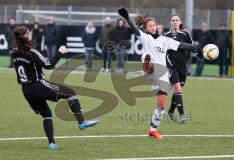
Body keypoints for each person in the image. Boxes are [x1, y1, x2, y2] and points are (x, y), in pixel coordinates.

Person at [118, 8, 201, 139]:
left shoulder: (164, 40)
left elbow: (180, 45)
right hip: (150, 72)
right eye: (150, 26)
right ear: (146, 29)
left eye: (153, 25)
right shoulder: (146, 38)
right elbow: (135, 29)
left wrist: (195, 47)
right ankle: (147, 65)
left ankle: (153, 130)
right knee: (147, 57)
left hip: (162, 76)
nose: (152, 27)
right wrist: (127, 17)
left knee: (161, 106)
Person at [11, 26, 98, 150]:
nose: (31, 34)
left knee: (47, 114)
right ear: (26, 37)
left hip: (26, 91)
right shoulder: (32, 52)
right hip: (38, 85)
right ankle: (81, 122)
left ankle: (51, 144)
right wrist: (59, 53)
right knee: (71, 93)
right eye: (29, 33)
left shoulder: (14, 53)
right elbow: (48, 65)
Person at [164, 14, 194, 123]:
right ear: (170, 22)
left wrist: (199, 52)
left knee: (178, 91)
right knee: (178, 90)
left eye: (177, 20)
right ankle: (182, 116)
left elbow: (191, 47)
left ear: (180, 22)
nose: (175, 22)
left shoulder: (185, 34)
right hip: (171, 67)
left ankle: (171, 111)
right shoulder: (166, 35)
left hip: (182, 67)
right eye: (173, 20)